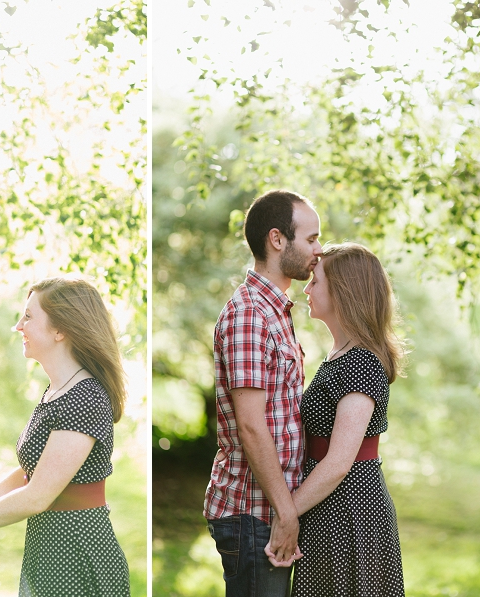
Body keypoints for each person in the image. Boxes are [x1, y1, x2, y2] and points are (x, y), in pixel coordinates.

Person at [0, 275, 130, 596]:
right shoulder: (57, 391)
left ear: (60, 330)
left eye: (28, 316)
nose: (18, 325)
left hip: (76, 553)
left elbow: (36, 495)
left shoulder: (85, 396)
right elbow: (29, 473)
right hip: (49, 550)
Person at [204, 190, 323, 597]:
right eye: (310, 239)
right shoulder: (249, 314)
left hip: (268, 509)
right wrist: (286, 512)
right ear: (277, 240)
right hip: (252, 514)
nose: (318, 250)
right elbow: (252, 427)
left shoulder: (274, 310)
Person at [282, 242, 406, 596]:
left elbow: (338, 462)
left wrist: (285, 514)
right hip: (331, 508)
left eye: (315, 282)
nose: (305, 288)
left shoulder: (362, 363)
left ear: (343, 291)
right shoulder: (342, 355)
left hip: (351, 513)